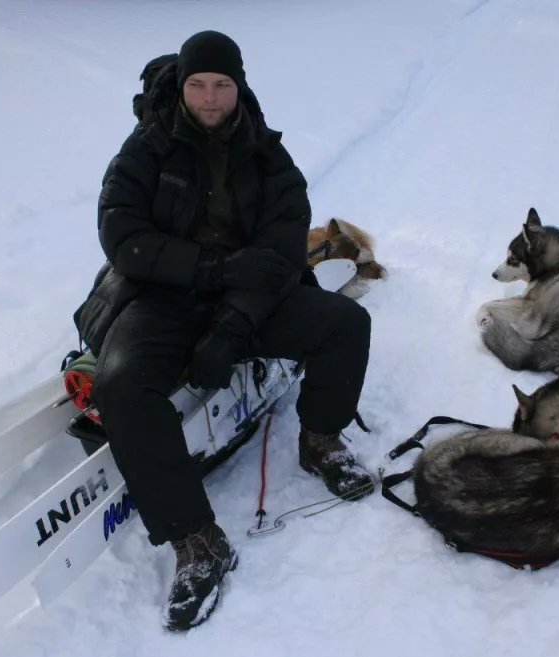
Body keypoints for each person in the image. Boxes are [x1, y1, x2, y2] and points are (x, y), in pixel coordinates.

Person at [78, 30, 375, 632]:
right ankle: (197, 538)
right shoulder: (144, 150)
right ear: (181, 87)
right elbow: (124, 239)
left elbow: (285, 245)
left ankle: (320, 440)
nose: (210, 98)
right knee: (122, 387)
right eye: (197, 85)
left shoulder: (269, 155)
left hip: (248, 299)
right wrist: (212, 268)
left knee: (346, 323)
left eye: (221, 85)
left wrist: (234, 326)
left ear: (239, 86)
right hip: (162, 298)